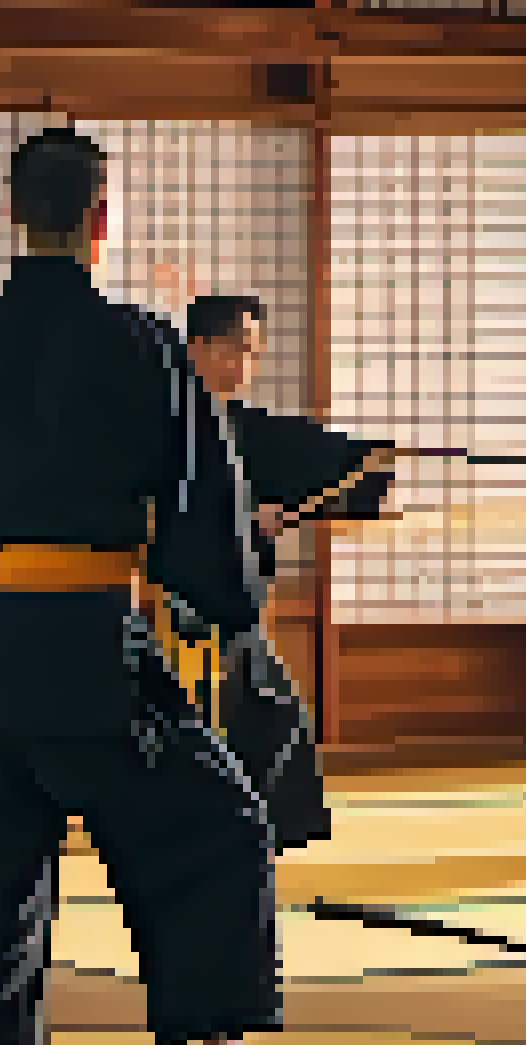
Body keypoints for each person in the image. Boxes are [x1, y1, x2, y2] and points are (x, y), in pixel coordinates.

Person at [0, 128, 304, 1045]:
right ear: (102, 221)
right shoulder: (141, 344)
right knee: (219, 824)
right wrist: (228, 602)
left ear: (13, 215)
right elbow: (204, 500)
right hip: (89, 649)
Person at [180, 293, 398, 851]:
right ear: (199, 348)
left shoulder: (245, 428)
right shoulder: (167, 424)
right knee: (250, 714)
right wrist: (244, 518)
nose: (248, 365)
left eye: (255, 353)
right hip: (177, 611)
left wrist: (366, 466)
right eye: (238, 350)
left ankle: (251, 826)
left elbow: (330, 465)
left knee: (272, 715)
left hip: (230, 608)